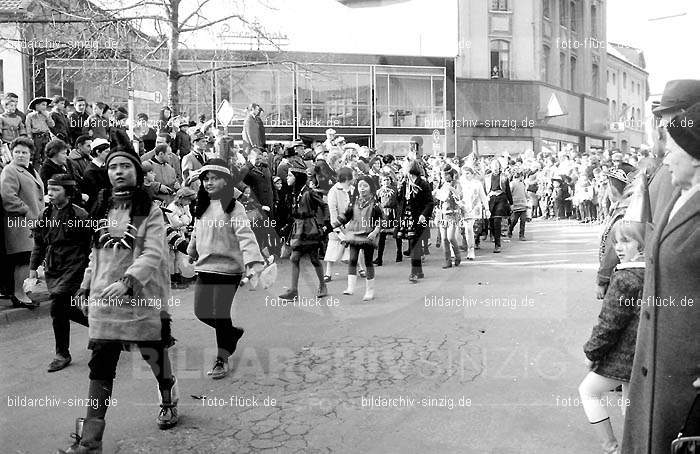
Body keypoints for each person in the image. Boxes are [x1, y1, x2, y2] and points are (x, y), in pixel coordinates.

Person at [57, 143, 178, 454]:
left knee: (154, 356)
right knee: (100, 367)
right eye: (113, 167)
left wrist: (128, 281)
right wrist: (86, 287)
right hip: (104, 302)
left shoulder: (149, 211)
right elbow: (95, 258)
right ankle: (90, 440)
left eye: (125, 166)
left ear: (137, 172)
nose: (118, 172)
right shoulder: (102, 209)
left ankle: (168, 398)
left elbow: (153, 253)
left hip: (140, 299)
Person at [621, 102, 700, 454]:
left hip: (685, 376)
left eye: (673, 149)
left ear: (696, 156)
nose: (665, 158)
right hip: (656, 363)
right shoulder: (681, 196)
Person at [187, 159, 263, 379]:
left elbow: (245, 236)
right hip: (205, 267)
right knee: (201, 312)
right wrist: (192, 251)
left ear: (226, 181)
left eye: (215, 178)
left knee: (220, 314)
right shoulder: (201, 205)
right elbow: (196, 232)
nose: (209, 183)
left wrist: (252, 262)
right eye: (206, 179)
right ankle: (231, 333)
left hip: (228, 270)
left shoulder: (234, 207)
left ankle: (222, 358)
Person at [579, 221, 645, 454]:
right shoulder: (651, 272)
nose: (618, 247)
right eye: (616, 241)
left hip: (623, 355)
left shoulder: (625, 278)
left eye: (626, 241)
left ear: (643, 245)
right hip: (643, 352)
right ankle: (633, 446)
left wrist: (591, 353)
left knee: (588, 391)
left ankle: (613, 448)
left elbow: (609, 324)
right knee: (630, 403)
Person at [29, 174, 91, 372]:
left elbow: (90, 247)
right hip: (54, 266)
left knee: (58, 304)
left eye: (56, 190)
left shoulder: (80, 216)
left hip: (75, 266)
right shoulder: (45, 215)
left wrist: (89, 276)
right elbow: (39, 243)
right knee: (63, 308)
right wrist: (33, 268)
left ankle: (62, 354)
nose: (51, 194)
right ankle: (104, 328)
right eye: (49, 189)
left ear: (68, 192)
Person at [0, 137, 45, 308]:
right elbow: (8, 198)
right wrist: (27, 211)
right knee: (23, 259)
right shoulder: (10, 170)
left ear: (30, 154)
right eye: (17, 152)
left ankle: (23, 292)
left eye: (24, 152)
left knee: (28, 258)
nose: (20, 155)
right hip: (19, 223)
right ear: (11, 153)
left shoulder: (31, 170)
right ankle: (19, 294)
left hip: (32, 222)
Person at [329, 175, 382, 301]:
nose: (362, 189)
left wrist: (375, 231)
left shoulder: (375, 204)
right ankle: (350, 287)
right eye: (360, 186)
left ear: (371, 187)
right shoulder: (354, 202)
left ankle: (370, 291)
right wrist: (335, 223)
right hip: (354, 234)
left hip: (368, 235)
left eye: (365, 186)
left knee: (368, 262)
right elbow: (346, 215)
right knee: (352, 260)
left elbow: (382, 220)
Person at [278, 168, 327, 300]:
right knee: (294, 258)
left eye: (289, 175)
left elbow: (324, 206)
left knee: (314, 258)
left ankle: (323, 285)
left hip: (310, 228)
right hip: (298, 227)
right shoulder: (293, 193)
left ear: (297, 177)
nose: (287, 178)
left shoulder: (309, 192)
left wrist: (324, 224)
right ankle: (293, 291)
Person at [396, 159, 434, 283]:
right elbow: (400, 200)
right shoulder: (405, 184)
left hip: (418, 217)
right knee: (414, 244)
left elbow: (429, 202)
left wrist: (424, 215)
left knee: (414, 244)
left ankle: (414, 272)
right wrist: (399, 188)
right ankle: (419, 270)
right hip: (406, 217)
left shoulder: (423, 184)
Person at [323, 167, 353, 281]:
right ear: (347, 178)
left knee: (354, 248)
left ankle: (360, 269)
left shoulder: (353, 189)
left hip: (351, 224)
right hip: (337, 224)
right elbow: (333, 212)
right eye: (352, 176)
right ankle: (328, 273)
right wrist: (338, 231)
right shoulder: (333, 191)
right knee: (332, 247)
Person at [434, 164, 462, 268]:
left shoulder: (456, 184)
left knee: (451, 237)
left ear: (450, 174)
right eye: (442, 175)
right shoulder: (441, 184)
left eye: (445, 175)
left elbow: (460, 195)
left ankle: (458, 256)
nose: (443, 177)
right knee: (444, 239)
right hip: (442, 214)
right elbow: (437, 199)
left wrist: (451, 189)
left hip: (452, 213)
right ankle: (447, 261)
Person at [459, 166, 490, 260]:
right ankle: (469, 248)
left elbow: (483, 196)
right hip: (464, 208)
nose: (466, 175)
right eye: (464, 173)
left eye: (468, 173)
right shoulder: (461, 183)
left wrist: (487, 209)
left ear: (472, 174)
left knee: (469, 229)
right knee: (466, 231)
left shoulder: (477, 183)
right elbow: (458, 196)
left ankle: (471, 249)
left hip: (474, 208)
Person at [485, 159, 512, 253]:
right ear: (490, 167)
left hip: (501, 198)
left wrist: (511, 203)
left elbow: (508, 190)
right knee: (491, 222)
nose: (495, 167)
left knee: (497, 221)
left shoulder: (504, 177)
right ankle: (493, 235)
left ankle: (498, 244)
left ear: (499, 167)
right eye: (493, 165)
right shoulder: (487, 177)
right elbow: (485, 191)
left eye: (497, 165)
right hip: (491, 199)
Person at [375, 172, 399, 265]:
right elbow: (377, 202)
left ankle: (399, 253)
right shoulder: (379, 191)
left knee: (397, 234)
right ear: (381, 181)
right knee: (382, 236)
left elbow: (398, 201)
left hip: (393, 213)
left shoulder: (395, 190)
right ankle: (379, 258)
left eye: (388, 179)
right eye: (384, 180)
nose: (386, 181)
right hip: (384, 215)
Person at [82, 138, 111, 212]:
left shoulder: (106, 167)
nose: (109, 154)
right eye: (106, 152)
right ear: (98, 152)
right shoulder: (90, 172)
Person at [25, 97, 55, 170]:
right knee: (36, 155)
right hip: (37, 137)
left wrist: (47, 117)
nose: (45, 107)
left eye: (45, 105)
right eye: (43, 105)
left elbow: (52, 125)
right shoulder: (30, 116)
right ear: (36, 106)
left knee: (46, 154)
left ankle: (45, 170)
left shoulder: (46, 115)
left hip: (46, 136)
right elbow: (28, 127)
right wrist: (30, 137)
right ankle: (36, 170)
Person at [508, 170, 528, 241]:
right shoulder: (512, 184)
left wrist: (527, 200)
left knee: (523, 220)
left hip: (523, 205)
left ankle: (521, 235)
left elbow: (525, 193)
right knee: (514, 220)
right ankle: (510, 229)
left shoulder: (522, 184)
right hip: (516, 205)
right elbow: (509, 193)